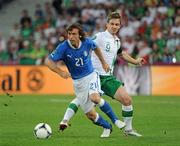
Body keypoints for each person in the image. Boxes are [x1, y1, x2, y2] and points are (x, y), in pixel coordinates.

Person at [59, 12, 146, 137]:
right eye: (112, 24)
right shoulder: (99, 37)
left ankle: (128, 130)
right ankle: (66, 120)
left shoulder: (117, 41)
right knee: (84, 105)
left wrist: (136, 61)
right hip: (94, 76)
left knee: (127, 100)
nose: (114, 26)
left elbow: (122, 54)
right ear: (107, 24)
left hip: (108, 78)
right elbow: (85, 44)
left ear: (120, 26)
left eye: (117, 24)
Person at [46, 23, 125, 138]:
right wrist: (60, 72)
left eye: (74, 34)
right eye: (69, 34)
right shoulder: (63, 47)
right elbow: (48, 61)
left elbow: (96, 47)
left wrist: (103, 62)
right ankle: (107, 126)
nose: (71, 36)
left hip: (91, 75)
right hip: (78, 83)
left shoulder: (87, 42)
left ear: (80, 36)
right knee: (91, 115)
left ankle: (116, 120)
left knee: (95, 97)